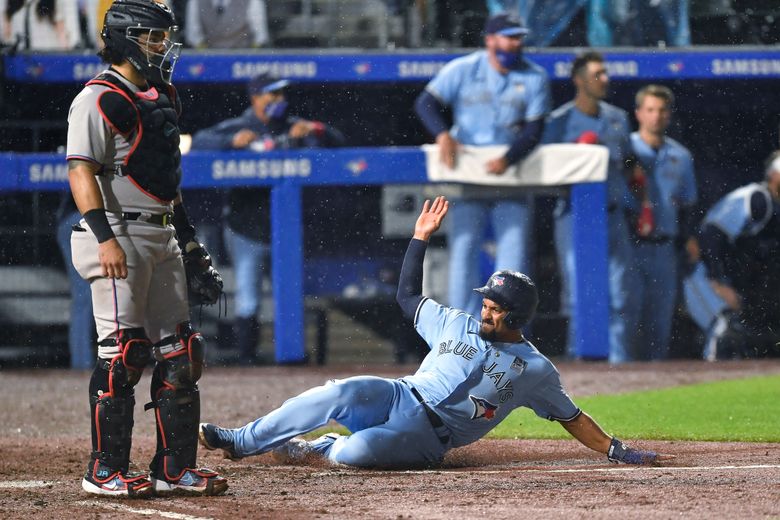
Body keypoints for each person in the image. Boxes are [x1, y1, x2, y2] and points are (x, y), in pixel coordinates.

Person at [198, 196, 671, 469]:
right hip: (398, 395)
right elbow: (406, 297)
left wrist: (615, 449)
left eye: (493, 305)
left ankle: (320, 448)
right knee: (336, 392)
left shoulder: (535, 369)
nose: (484, 307)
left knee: (353, 455)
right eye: (485, 300)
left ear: (515, 315)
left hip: (429, 439)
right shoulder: (456, 322)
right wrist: (420, 236)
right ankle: (241, 441)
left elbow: (571, 416)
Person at [65, 0, 226, 497]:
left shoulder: (161, 95)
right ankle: (104, 470)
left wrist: (192, 240)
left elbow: (165, 180)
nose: (163, 47)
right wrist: (104, 237)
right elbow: (80, 171)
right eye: (154, 37)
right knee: (125, 354)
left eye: (163, 37)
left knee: (181, 352)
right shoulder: (97, 97)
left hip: (160, 231)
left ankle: (174, 468)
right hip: (116, 232)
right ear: (126, 38)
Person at [191, 73, 345, 364]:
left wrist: (315, 130)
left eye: (281, 95)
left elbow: (338, 142)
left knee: (288, 293)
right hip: (244, 226)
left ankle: (289, 357)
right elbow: (199, 141)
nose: (279, 100)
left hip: (284, 226)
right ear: (256, 98)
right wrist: (230, 141)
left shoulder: (293, 125)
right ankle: (248, 359)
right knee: (249, 296)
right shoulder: (241, 125)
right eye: (272, 95)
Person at [414, 13, 550, 318]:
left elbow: (535, 128)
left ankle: (508, 330)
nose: (515, 43)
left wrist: (508, 157)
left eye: (518, 37)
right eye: (508, 36)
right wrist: (442, 133)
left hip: (512, 177)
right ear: (490, 39)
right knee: (463, 254)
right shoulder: (465, 68)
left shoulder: (534, 75)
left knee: (513, 262)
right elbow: (425, 103)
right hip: (469, 176)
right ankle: (461, 329)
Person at [541, 51, 638, 363]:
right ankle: (581, 363)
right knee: (577, 294)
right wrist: (575, 160)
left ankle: (620, 365)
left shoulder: (617, 117)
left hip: (612, 213)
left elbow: (628, 164)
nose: (605, 79)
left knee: (621, 294)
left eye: (605, 73)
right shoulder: (559, 121)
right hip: (574, 216)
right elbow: (546, 176)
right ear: (579, 80)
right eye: (598, 74)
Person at [684, 151, 780, 361]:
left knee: (736, 334)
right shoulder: (758, 200)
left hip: (722, 276)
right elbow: (711, 233)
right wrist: (718, 282)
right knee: (723, 328)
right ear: (773, 175)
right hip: (700, 273)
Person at [628, 84, 697, 361]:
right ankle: (620, 385)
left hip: (665, 247)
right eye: (650, 110)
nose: (656, 116)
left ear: (669, 115)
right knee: (627, 316)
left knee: (660, 321)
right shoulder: (626, 148)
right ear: (639, 113)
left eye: (662, 110)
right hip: (630, 246)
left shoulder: (680, 156)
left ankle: (654, 386)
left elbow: (688, 205)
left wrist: (688, 238)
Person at [55, 194, 96, 369]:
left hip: (72, 219)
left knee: (83, 298)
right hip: (82, 220)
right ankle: (82, 363)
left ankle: (82, 361)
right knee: (84, 298)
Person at [185, 0, 269, 48]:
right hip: (209, 60)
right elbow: (193, 36)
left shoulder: (252, 1)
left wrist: (249, 57)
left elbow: (260, 37)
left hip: (241, 57)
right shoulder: (196, 1)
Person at [3, 0, 81, 49]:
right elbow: (7, 36)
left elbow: (62, 36)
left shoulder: (53, 2)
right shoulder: (15, 5)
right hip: (21, 59)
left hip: (47, 58)